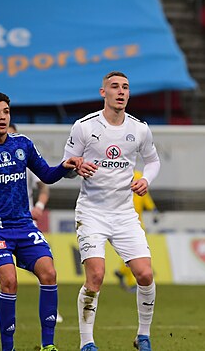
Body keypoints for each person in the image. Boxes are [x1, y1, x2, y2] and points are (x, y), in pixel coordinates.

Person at [0, 92, 84, 351]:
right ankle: (7, 348)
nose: (2, 117)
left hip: (23, 225)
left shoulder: (23, 144)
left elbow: (46, 174)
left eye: (5, 112)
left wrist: (66, 166)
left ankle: (48, 346)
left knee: (49, 272)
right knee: (9, 280)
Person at [63, 71, 161, 351]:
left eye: (125, 87)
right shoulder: (84, 127)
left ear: (129, 94)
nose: (121, 91)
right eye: (114, 86)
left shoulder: (139, 129)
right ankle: (87, 342)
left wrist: (146, 180)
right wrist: (76, 166)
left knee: (145, 275)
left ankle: (143, 335)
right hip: (91, 212)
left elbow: (153, 161)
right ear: (102, 92)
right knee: (95, 276)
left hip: (124, 214)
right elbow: (64, 165)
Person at [0, 124, 63, 324]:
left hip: (25, 221)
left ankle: (51, 311)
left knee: (46, 269)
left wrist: (39, 206)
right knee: (3, 273)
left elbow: (46, 182)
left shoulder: (24, 157)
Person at [115, 169, 159, 293]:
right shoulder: (117, 174)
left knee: (135, 253)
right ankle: (130, 281)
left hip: (136, 222)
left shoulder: (136, 175)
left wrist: (153, 209)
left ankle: (122, 271)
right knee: (133, 253)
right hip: (125, 221)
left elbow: (145, 196)